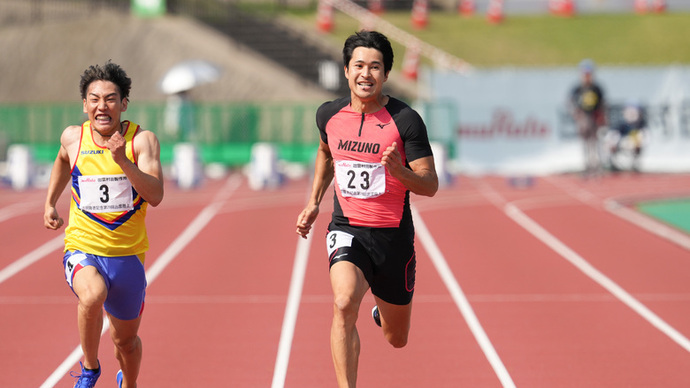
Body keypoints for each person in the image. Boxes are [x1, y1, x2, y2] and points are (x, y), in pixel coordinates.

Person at [295, 30, 438, 387]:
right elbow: (326, 153)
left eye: (375, 67)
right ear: (346, 70)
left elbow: (430, 185)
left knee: (397, 338)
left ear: (386, 74)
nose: (366, 74)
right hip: (347, 228)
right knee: (343, 303)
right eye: (359, 65)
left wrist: (399, 172)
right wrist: (313, 202)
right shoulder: (329, 114)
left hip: (392, 237)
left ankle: (382, 310)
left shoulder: (405, 120)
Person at [43, 61, 164, 388]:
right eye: (94, 98)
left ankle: (130, 382)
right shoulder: (73, 137)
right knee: (92, 295)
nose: (102, 106)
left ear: (124, 104)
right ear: (85, 104)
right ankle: (90, 367)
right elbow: (62, 162)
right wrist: (50, 202)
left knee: (126, 343)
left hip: (127, 258)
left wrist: (123, 160)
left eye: (111, 99)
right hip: (83, 249)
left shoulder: (142, 142)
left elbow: (155, 195)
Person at [569, 59, 607, 176]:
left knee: (596, 142)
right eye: (585, 74)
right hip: (584, 118)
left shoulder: (597, 89)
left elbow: (603, 104)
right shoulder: (577, 89)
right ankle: (587, 165)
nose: (587, 77)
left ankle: (598, 166)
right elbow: (572, 104)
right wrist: (577, 115)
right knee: (585, 143)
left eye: (589, 74)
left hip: (595, 117)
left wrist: (602, 117)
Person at [605, 101, 647, 172]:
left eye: (633, 112)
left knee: (636, 145)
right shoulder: (621, 124)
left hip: (633, 144)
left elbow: (644, 136)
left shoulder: (640, 125)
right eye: (629, 112)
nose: (631, 114)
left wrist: (637, 143)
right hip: (621, 143)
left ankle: (634, 166)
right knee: (609, 145)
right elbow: (612, 134)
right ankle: (613, 165)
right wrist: (612, 142)